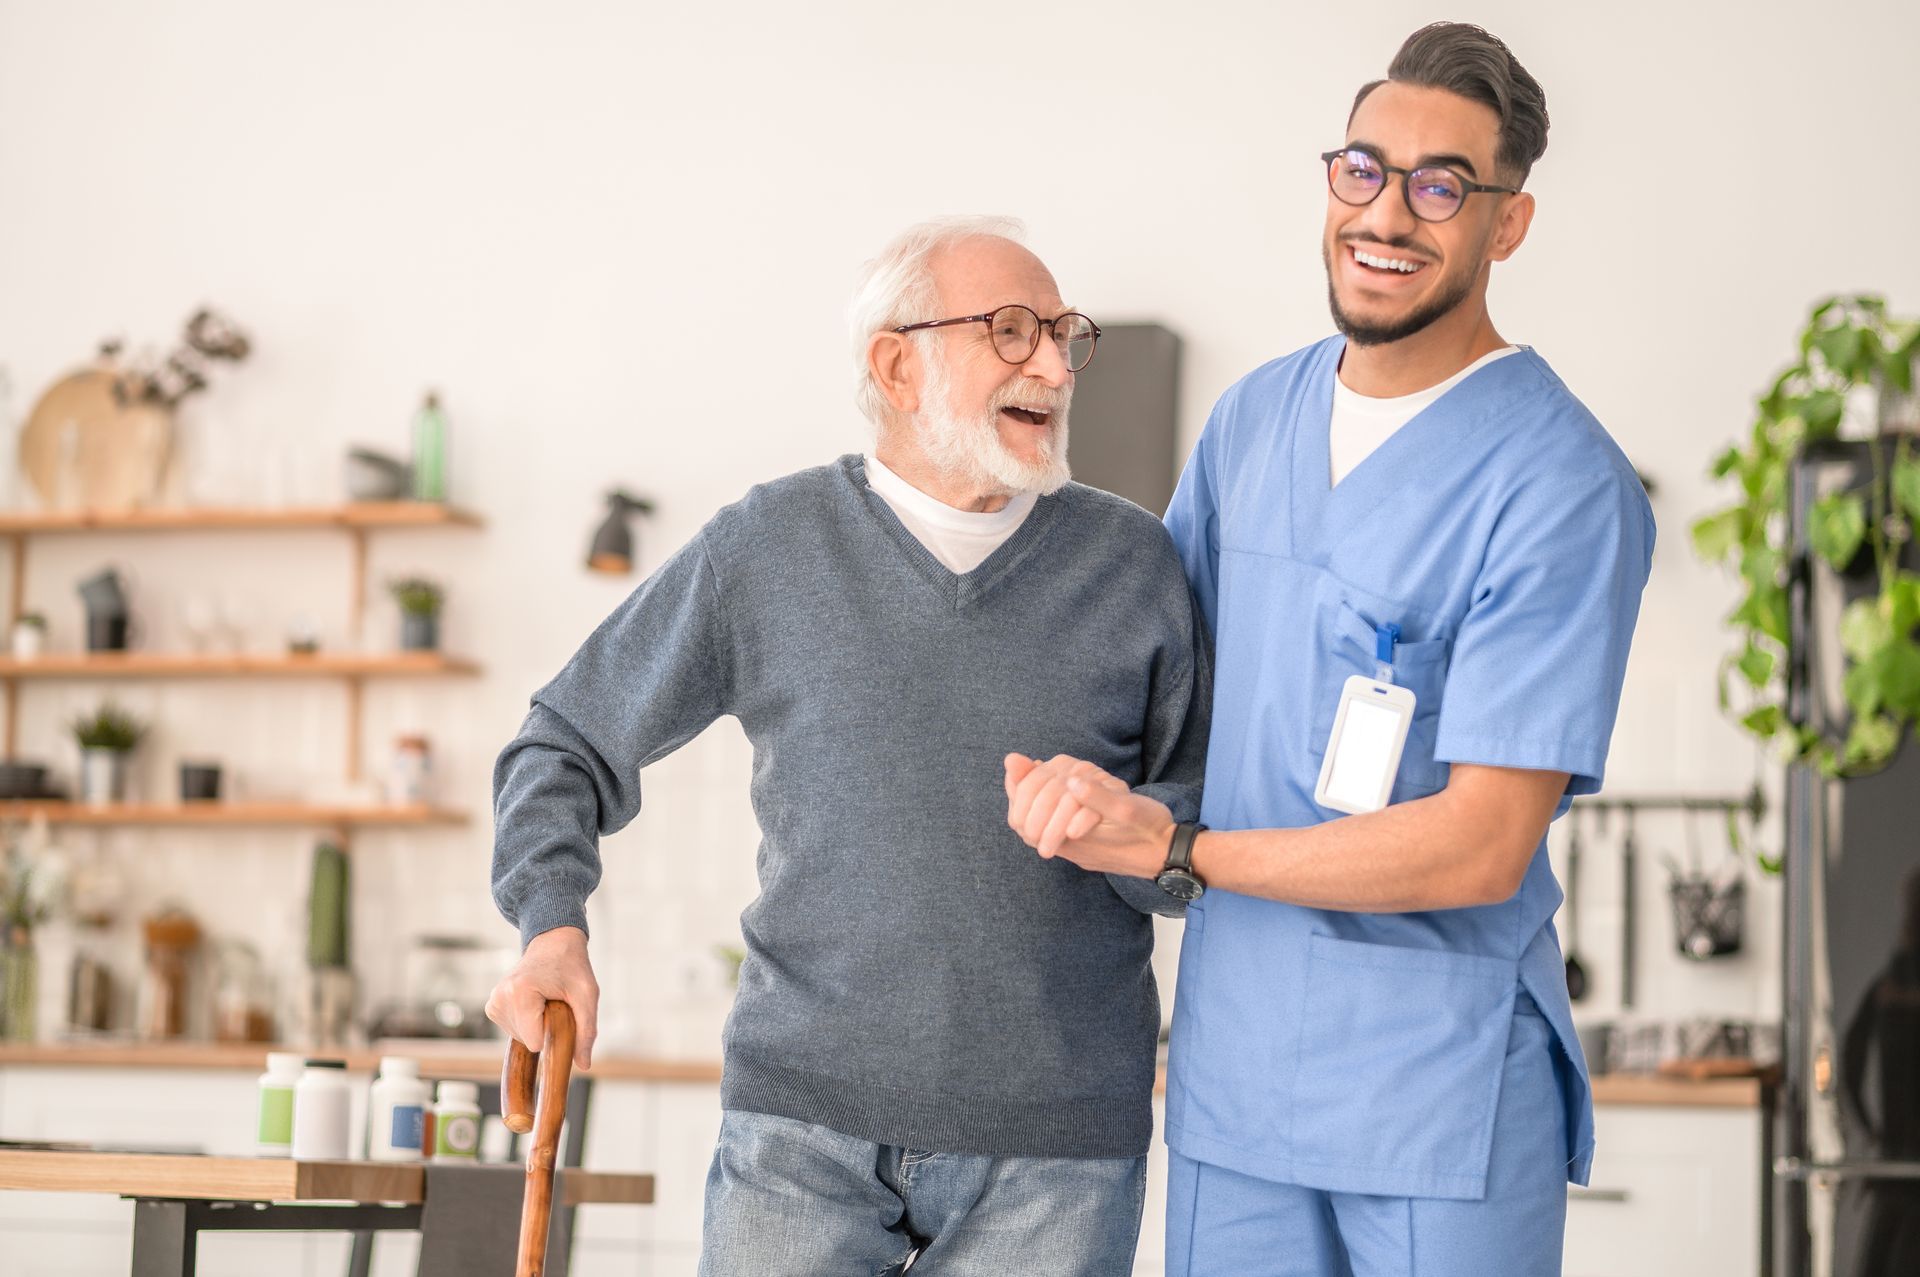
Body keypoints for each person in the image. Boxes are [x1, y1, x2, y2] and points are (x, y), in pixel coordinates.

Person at [1004, 24, 1654, 1275]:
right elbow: (1151, 698)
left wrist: (1185, 848)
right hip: (1236, 1077)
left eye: (1441, 185)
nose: (1390, 214)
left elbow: (1482, 841)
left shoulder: (1561, 480)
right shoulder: (1255, 422)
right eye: (1365, 168)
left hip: (1435, 1090)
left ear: (1504, 225)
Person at [487, 215, 1210, 1276]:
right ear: (897, 363)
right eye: (1011, 330)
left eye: (1064, 334)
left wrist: (1146, 838)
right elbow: (564, 738)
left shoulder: (1137, 565)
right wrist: (550, 922)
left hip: (1057, 1154)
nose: (1054, 364)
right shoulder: (767, 547)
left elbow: (1198, 848)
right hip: (801, 1136)